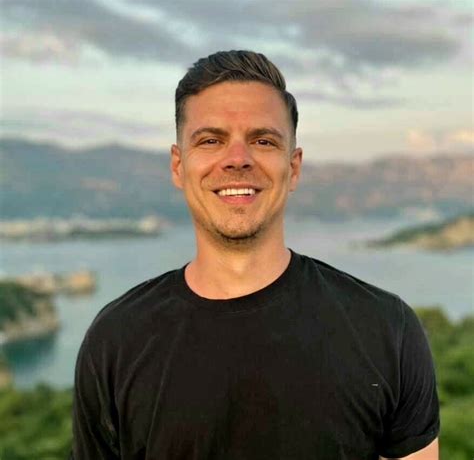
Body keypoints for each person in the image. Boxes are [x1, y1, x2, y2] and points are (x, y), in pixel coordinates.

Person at [71, 50, 439, 459]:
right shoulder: (115, 341)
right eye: (211, 140)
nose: (237, 160)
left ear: (293, 167)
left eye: (263, 141)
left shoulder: (387, 330)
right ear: (178, 166)